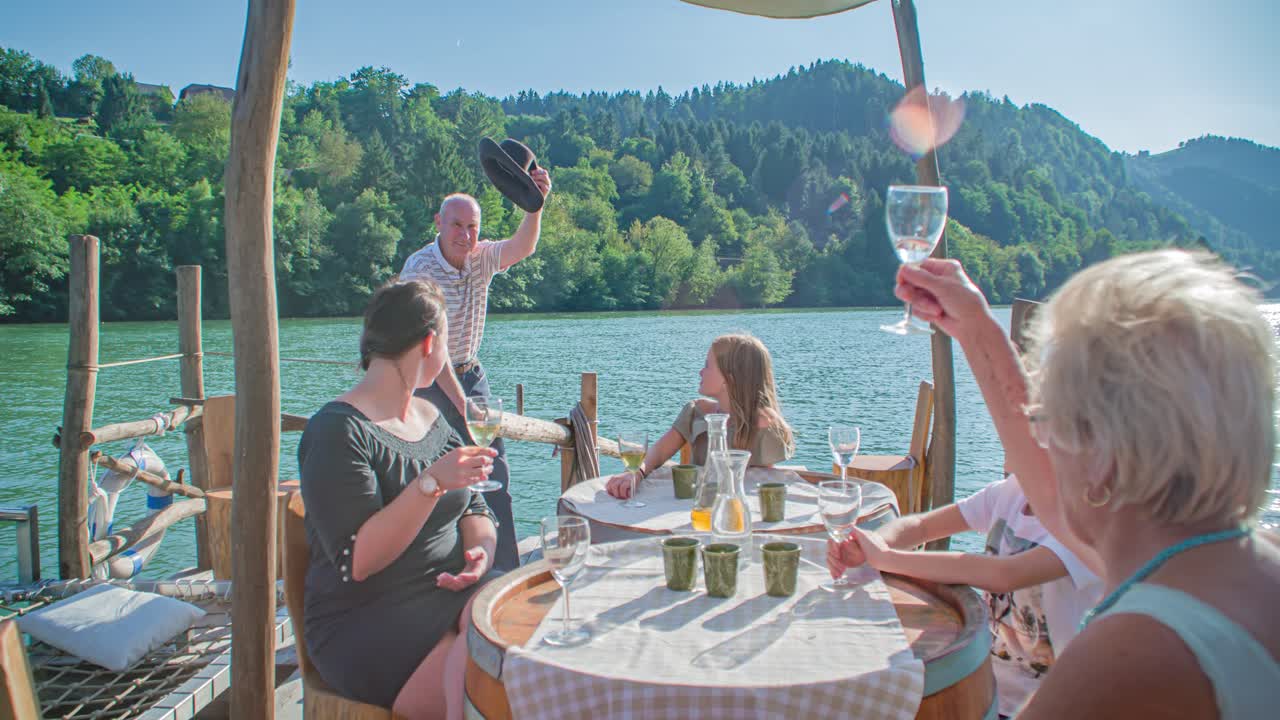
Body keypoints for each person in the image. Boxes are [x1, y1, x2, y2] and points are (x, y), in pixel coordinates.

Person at [893, 249, 1280, 718]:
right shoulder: (1236, 563)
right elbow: (1051, 489)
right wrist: (976, 328)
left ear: (1101, 458)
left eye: (1045, 421)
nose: (1037, 438)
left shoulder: (1133, 654)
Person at [299, 280, 501, 719]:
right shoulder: (337, 432)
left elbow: (475, 505)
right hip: (366, 619)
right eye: (447, 341)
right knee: (489, 680)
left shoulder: (432, 417)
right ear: (430, 343)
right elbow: (359, 558)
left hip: (447, 592)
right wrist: (429, 484)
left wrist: (480, 555)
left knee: (519, 629)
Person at [828, 470, 1101, 716]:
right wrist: (871, 543)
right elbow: (922, 526)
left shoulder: (1090, 521)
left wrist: (886, 558)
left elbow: (1004, 575)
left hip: (1050, 706)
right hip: (981, 685)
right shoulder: (1010, 492)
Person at [399, 175, 550, 572]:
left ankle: (503, 572)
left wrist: (535, 204)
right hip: (428, 380)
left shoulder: (482, 257)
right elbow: (430, 348)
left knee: (493, 470)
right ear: (438, 222)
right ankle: (436, 571)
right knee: (435, 474)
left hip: (471, 372)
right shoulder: (420, 269)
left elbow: (523, 246)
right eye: (457, 225)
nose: (465, 235)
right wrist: (463, 403)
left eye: (472, 227)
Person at [606, 333, 795, 499]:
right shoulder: (696, 411)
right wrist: (636, 473)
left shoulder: (764, 424)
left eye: (707, 366)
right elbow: (659, 452)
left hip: (738, 506)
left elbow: (768, 482)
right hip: (695, 501)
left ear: (728, 378)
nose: (700, 371)